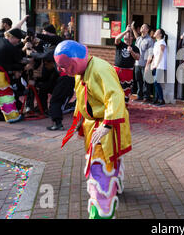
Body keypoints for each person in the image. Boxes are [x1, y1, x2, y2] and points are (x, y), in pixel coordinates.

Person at [55, 40, 132, 219]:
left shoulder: (100, 69)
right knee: (110, 159)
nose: (63, 71)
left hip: (106, 123)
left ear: (74, 61)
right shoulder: (80, 72)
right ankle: (116, 184)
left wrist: (107, 124)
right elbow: (82, 100)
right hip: (94, 123)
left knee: (99, 167)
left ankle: (102, 212)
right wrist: (78, 125)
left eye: (65, 66)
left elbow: (115, 95)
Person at [114, 26, 140, 103]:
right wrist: (126, 31)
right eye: (125, 34)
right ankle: (115, 103)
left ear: (131, 37)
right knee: (115, 86)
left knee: (126, 88)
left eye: (128, 34)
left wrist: (131, 51)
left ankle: (124, 104)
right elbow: (117, 39)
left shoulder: (135, 48)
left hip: (127, 71)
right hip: (117, 69)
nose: (125, 36)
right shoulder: (120, 44)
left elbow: (138, 58)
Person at [131, 23, 154, 103]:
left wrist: (148, 65)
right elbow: (136, 36)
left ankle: (146, 97)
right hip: (137, 63)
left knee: (145, 81)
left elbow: (150, 54)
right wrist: (133, 28)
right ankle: (139, 96)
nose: (141, 27)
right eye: (141, 26)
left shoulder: (150, 40)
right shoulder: (138, 39)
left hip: (145, 64)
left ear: (147, 30)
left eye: (143, 27)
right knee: (138, 80)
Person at [150, 28, 167, 106]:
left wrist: (156, 64)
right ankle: (156, 98)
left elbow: (160, 54)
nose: (155, 32)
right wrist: (152, 64)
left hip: (160, 65)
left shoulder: (162, 42)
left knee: (157, 82)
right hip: (155, 65)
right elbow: (155, 55)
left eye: (156, 32)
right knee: (155, 83)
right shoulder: (156, 43)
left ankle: (161, 99)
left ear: (160, 35)